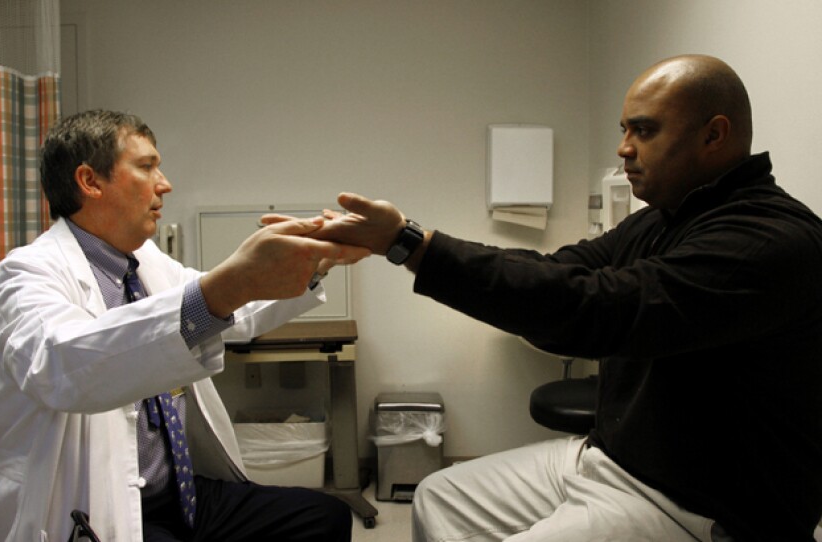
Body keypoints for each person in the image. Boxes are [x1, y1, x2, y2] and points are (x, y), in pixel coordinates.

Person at [273, 55, 822, 541]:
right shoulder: (663, 219)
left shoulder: (766, 243)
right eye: (624, 128)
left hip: (695, 507)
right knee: (441, 498)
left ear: (714, 135)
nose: (623, 148)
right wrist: (405, 245)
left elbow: (594, 309)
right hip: (612, 460)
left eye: (645, 130)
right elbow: (557, 271)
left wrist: (408, 243)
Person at [0, 109, 370, 542]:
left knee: (323, 517)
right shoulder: (25, 275)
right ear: (90, 182)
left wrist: (313, 261)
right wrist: (229, 282)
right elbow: (64, 365)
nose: (165, 183)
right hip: (95, 503)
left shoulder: (146, 264)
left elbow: (226, 313)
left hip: (181, 497)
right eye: (146, 167)